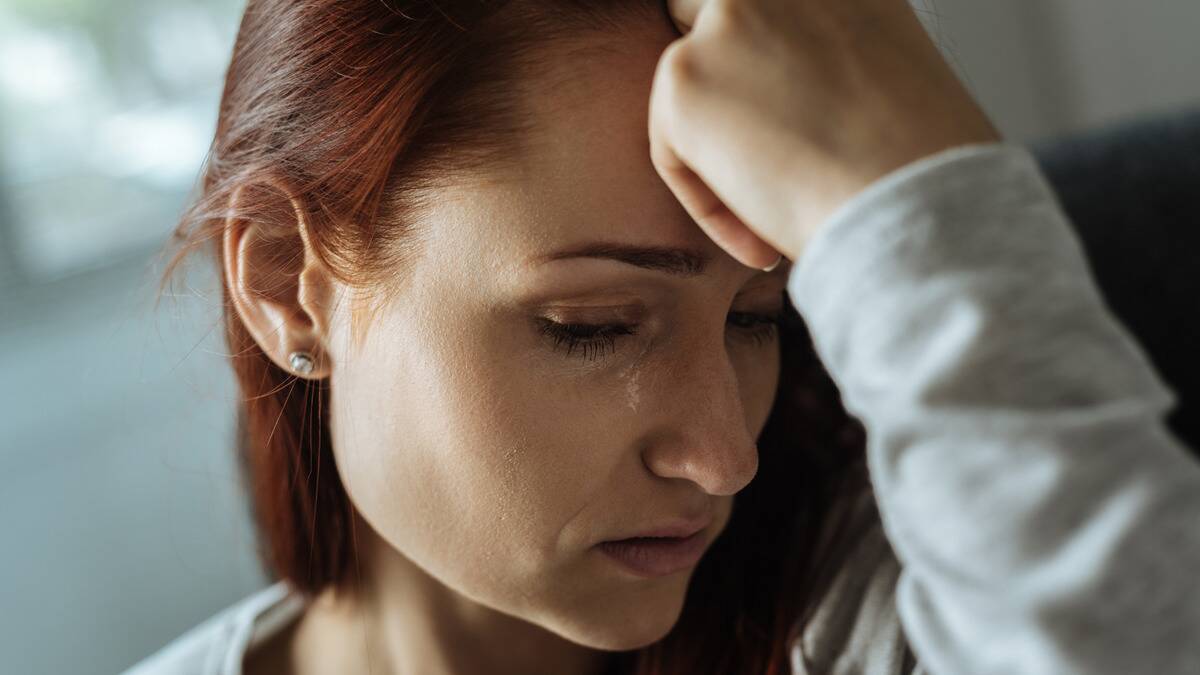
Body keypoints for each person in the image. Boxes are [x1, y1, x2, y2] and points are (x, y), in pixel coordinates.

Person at [128, 0, 1200, 673]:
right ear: (285, 284)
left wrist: (912, 186)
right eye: (592, 329)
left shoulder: (879, 615)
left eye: (756, 320)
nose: (726, 457)